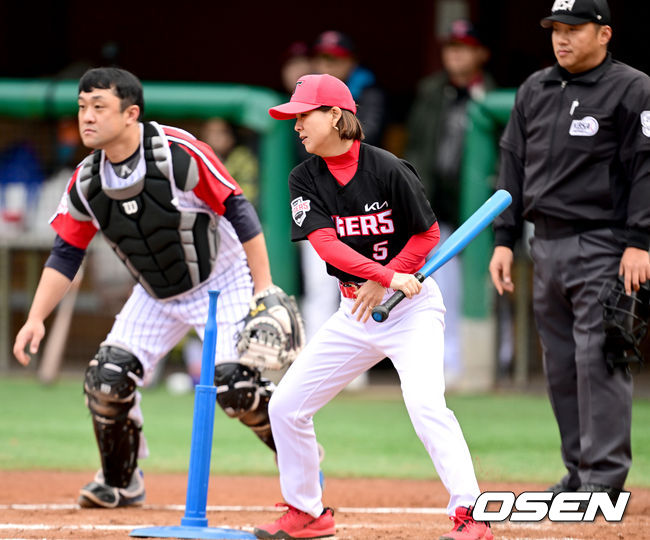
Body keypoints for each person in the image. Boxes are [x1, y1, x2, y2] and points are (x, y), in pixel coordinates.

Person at [12, 67, 284, 509]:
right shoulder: (86, 181)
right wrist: (36, 318)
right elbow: (65, 254)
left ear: (130, 113)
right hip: (156, 293)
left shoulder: (176, 154)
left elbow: (239, 209)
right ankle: (122, 481)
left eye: (99, 107)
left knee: (236, 387)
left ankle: (302, 466)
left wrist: (265, 287)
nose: (87, 117)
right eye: (82, 107)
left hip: (223, 278)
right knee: (107, 379)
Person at [254, 74, 492, 540]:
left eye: (304, 115)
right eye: (294, 117)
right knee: (285, 406)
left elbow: (426, 236)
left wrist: (390, 280)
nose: (297, 125)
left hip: (412, 309)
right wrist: (377, 279)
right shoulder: (304, 176)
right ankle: (308, 511)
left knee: (426, 405)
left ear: (337, 117)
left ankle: (472, 515)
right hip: (357, 311)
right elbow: (325, 245)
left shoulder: (388, 168)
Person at [489, 0, 650, 505]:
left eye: (574, 29)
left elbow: (646, 168)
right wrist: (502, 239)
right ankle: (579, 472)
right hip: (545, 244)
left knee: (598, 357)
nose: (562, 38)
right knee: (560, 364)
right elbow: (511, 166)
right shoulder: (534, 89)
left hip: (603, 242)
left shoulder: (632, 87)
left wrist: (639, 241)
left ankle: (604, 476)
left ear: (603, 34)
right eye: (556, 29)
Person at [405, 19, 496, 385]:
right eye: (450, 47)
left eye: (463, 47)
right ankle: (448, 361)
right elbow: (416, 144)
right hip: (434, 201)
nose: (454, 54)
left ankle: (487, 361)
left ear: (480, 54)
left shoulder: (490, 93)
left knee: (481, 282)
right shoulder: (431, 90)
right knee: (440, 281)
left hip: (477, 203)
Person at [312, 30, 387, 148]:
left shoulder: (369, 91)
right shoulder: (309, 89)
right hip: (318, 162)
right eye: (322, 57)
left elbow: (368, 134)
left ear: (352, 61)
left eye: (335, 58)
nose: (326, 64)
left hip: (360, 162)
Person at [201, 117, 260, 209]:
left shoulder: (242, 157)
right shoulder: (199, 157)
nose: (216, 137)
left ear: (231, 137)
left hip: (236, 212)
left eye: (221, 132)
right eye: (211, 132)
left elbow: (248, 193)